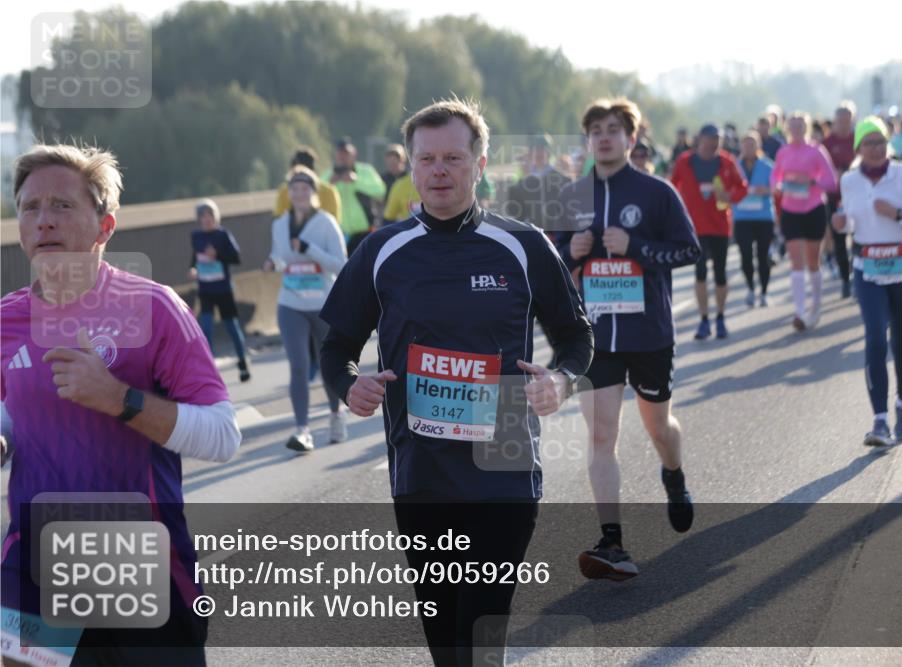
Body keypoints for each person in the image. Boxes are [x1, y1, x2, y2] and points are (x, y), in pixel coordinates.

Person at [319, 98, 593, 664]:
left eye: (452, 158)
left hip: (503, 470)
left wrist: (563, 382)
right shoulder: (382, 251)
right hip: (422, 475)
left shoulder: (523, 245)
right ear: (411, 166)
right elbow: (336, 348)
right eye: (426, 159)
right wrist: (350, 386)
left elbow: (576, 336)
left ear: (480, 164)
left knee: (482, 634)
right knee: (448, 645)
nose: (438, 171)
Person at [2, 144, 241, 664]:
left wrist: (118, 399)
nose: (43, 220)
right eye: (30, 207)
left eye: (62, 205)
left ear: (105, 226)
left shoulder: (154, 308)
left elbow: (223, 435)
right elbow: (8, 421)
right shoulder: (5, 320)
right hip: (35, 565)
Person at [555, 98, 701, 580]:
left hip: (648, 333)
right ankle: (612, 542)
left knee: (659, 427)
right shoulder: (570, 197)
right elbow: (550, 264)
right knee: (601, 436)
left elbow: (689, 250)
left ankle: (673, 476)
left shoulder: (657, 193)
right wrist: (569, 253)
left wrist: (635, 247)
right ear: (587, 139)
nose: (604, 137)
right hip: (594, 337)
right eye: (595, 129)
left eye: (613, 129)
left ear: (631, 138)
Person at [833, 117, 902, 446]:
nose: (875, 148)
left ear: (888, 144)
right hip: (868, 270)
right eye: (869, 143)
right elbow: (854, 223)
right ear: (858, 148)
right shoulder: (849, 181)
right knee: (875, 338)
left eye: (880, 142)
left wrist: (899, 214)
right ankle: (879, 421)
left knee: (901, 342)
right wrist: (842, 224)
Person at [263, 166, 348, 451]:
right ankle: (302, 430)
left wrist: (310, 248)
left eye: (305, 188)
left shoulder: (326, 223)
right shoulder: (279, 224)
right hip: (291, 304)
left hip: (324, 306)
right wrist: (272, 263)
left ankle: (336, 414)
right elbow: (280, 257)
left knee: (328, 366)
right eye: (294, 189)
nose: (299, 193)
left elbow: (341, 265)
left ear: (314, 192)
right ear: (289, 193)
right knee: (298, 366)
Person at [671, 123, 748, 339]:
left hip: (720, 226)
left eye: (717, 138)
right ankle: (704, 319)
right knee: (700, 273)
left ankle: (720, 318)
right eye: (711, 138)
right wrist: (676, 212)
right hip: (694, 228)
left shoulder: (726, 161)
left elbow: (742, 187)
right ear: (700, 139)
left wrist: (730, 197)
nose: (714, 142)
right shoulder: (685, 161)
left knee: (720, 274)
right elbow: (671, 187)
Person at [771, 112, 839, 330]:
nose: (796, 129)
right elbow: (775, 177)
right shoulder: (783, 152)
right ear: (787, 129)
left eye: (800, 126)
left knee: (813, 261)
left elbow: (831, 181)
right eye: (792, 126)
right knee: (796, 262)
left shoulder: (816, 150)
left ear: (806, 128)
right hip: (790, 210)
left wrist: (811, 182)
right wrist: (777, 187)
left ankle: (816, 306)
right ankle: (799, 312)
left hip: (813, 209)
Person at [188, 198, 251, 381]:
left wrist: (218, 255)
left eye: (210, 215)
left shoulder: (223, 235)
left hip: (223, 290)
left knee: (232, 327)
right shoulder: (196, 236)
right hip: (205, 290)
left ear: (215, 217)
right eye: (203, 216)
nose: (207, 219)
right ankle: (210, 370)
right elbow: (195, 258)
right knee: (206, 329)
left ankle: (243, 361)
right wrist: (192, 269)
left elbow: (236, 258)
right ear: (199, 219)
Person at [733, 130, 776, 307]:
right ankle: (751, 288)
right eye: (745, 145)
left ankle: (764, 292)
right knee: (745, 256)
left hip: (763, 217)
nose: (748, 148)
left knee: (763, 256)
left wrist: (766, 190)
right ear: (741, 147)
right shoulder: (734, 166)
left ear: (758, 146)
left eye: (752, 144)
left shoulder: (768, 165)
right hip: (742, 217)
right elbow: (725, 187)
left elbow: (777, 188)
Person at [325, 137, 387, 254]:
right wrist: (329, 184)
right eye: (340, 153)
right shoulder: (328, 174)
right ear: (335, 155)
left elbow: (381, 191)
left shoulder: (366, 171)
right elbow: (316, 195)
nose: (343, 157)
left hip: (365, 232)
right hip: (338, 233)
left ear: (354, 154)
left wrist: (356, 182)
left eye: (346, 153)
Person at [823, 102, 859, 298]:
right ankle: (845, 279)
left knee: (859, 236)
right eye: (841, 120)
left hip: (857, 196)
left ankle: (858, 276)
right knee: (839, 240)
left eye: (847, 120)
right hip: (835, 198)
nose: (844, 124)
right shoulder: (827, 143)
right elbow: (821, 169)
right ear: (835, 121)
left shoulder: (858, 139)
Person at [505, 133, 571, 233]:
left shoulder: (563, 180)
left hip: (557, 235)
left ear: (548, 152)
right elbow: (514, 212)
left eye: (541, 150)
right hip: (533, 235)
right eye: (534, 150)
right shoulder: (522, 183)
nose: (538, 154)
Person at [273, 146, 343, 221]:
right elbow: (335, 220)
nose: (300, 194)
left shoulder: (285, 191)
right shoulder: (329, 191)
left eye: (305, 189)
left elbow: (278, 218)